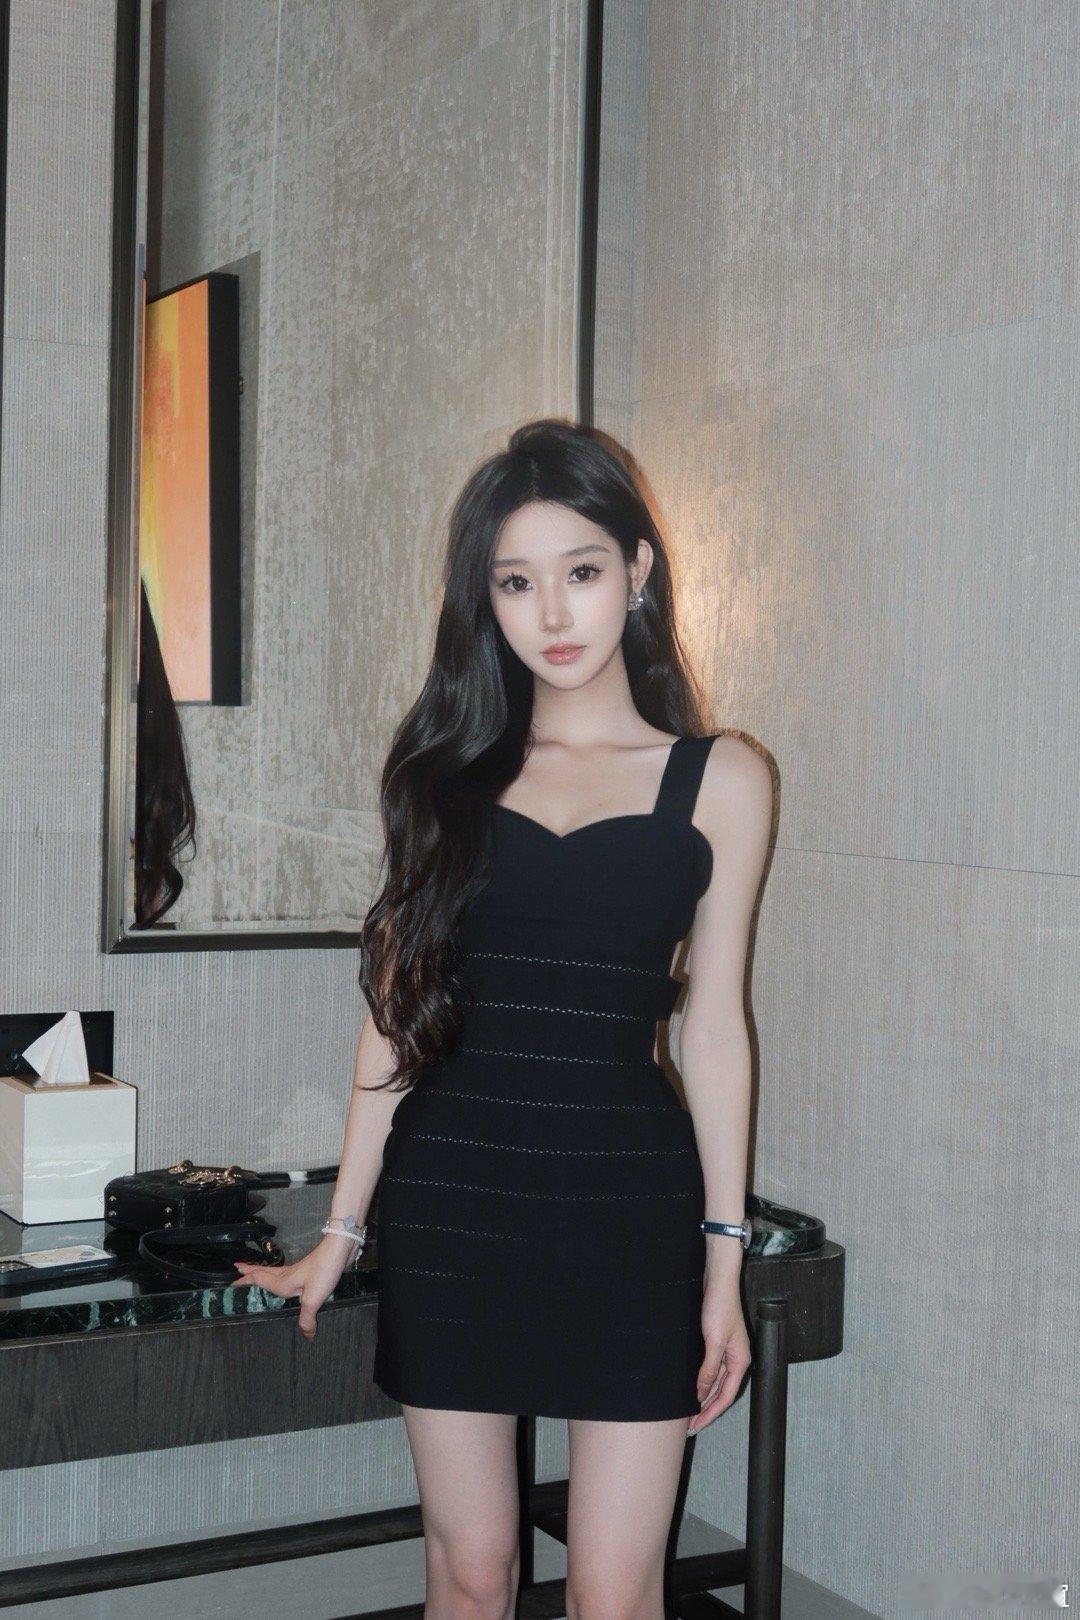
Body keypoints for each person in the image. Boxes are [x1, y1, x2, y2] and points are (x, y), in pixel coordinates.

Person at [234, 419, 773, 1618]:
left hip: (629, 1212)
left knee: (614, 1596)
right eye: (516, 583)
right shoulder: (447, 775)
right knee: (472, 1576)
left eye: (581, 570)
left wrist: (724, 1261)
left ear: (638, 569)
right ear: (485, 600)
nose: (554, 613)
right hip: (457, 1203)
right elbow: (394, 1017)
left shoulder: (724, 779)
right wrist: (342, 1230)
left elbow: (715, 1031)